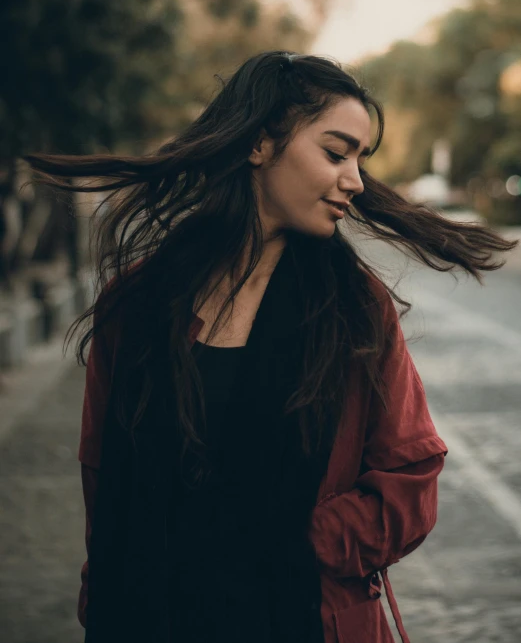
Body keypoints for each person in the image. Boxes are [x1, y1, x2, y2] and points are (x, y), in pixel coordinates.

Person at [25, 51, 516, 643]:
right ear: (259, 144)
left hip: (299, 617)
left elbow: (410, 480)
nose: (355, 181)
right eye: (336, 153)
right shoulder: (136, 303)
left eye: (360, 159)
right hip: (148, 614)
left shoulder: (354, 310)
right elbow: (101, 473)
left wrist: (299, 537)